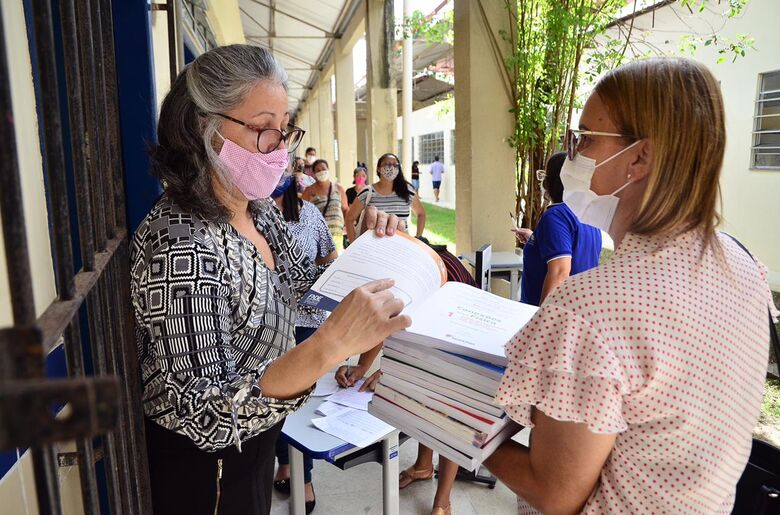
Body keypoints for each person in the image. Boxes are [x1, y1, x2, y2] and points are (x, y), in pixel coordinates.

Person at [484, 58, 777, 514]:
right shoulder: (745, 265)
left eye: (584, 138)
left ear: (638, 158)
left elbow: (554, 492)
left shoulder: (591, 308)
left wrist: (445, 418)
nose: (574, 155)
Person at [134, 44, 410, 515]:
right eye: (264, 130)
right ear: (203, 127)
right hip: (207, 473)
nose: (280, 150)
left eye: (284, 131)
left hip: (258, 444)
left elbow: (307, 285)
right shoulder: (183, 245)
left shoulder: (255, 210)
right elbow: (202, 414)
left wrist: (370, 250)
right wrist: (329, 346)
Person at [335, 236, 477, 515]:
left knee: (448, 416)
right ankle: (424, 466)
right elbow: (387, 322)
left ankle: (443, 502)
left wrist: (392, 372)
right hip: (433, 333)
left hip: (460, 338)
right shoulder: (399, 276)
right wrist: (363, 367)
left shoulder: (438, 280)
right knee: (423, 404)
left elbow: (435, 346)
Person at [271, 176, 337, 513]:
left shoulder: (309, 214)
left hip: (307, 322)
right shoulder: (248, 213)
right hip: (267, 326)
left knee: (301, 403)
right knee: (277, 401)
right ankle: (286, 463)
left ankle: (305, 476)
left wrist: (320, 283)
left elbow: (329, 256)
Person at [513, 152, 602, 306]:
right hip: (578, 308)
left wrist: (540, 321)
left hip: (552, 314)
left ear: (556, 180)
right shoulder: (588, 214)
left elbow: (560, 272)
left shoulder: (556, 216)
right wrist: (536, 239)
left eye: (546, 175)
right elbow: (575, 252)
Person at [344, 153, 426, 244]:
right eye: (387, 164)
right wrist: (354, 245)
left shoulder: (407, 191)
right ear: (379, 169)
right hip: (375, 248)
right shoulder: (367, 192)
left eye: (395, 165)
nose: (391, 167)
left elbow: (421, 214)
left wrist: (418, 238)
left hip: (402, 247)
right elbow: (349, 219)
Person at [302, 159, 349, 253]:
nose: (321, 172)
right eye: (318, 170)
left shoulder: (338, 189)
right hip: (318, 237)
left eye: (323, 169)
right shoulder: (309, 191)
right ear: (314, 173)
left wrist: (347, 226)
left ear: (328, 169)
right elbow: (302, 213)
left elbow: (345, 209)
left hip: (337, 235)